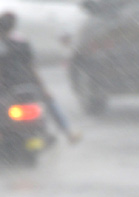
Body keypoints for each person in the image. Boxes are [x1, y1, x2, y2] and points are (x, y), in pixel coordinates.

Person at [0, 11, 80, 142]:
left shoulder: (6, 45)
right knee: (50, 103)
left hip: (9, 87)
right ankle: (68, 132)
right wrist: (43, 89)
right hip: (29, 83)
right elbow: (31, 67)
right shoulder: (21, 43)